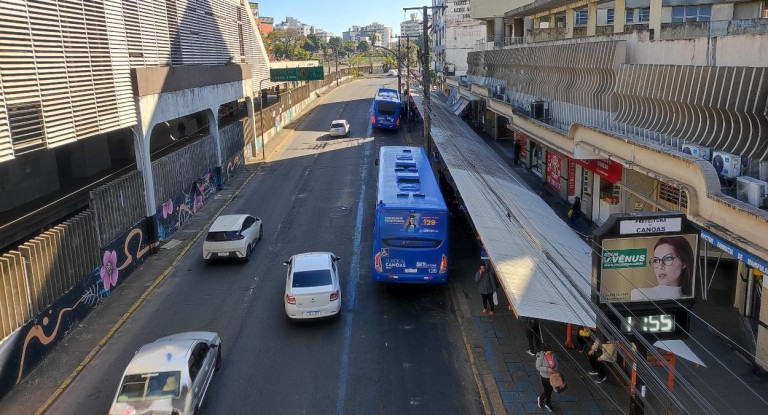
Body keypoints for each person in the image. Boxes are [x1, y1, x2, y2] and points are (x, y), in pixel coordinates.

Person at [630, 236, 694, 301]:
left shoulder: (691, 299)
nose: (660, 266)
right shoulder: (640, 295)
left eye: (668, 258)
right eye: (656, 260)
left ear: (684, 262)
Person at [535, 344, 557, 412]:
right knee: (548, 390)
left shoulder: (553, 355)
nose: (550, 353)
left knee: (549, 390)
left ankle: (543, 400)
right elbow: (538, 367)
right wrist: (547, 369)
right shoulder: (540, 357)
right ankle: (547, 402)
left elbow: (556, 363)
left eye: (550, 351)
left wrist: (555, 369)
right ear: (544, 351)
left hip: (552, 376)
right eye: (548, 352)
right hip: (544, 377)